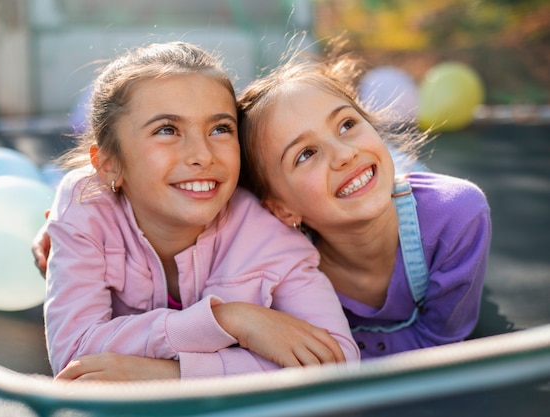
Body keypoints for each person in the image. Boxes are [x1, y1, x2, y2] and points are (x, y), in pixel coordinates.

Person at [41, 41, 359, 381]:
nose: (202, 155)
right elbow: (74, 358)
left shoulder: (268, 236)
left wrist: (170, 377)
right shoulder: (85, 205)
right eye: (167, 130)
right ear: (108, 165)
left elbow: (337, 366)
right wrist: (230, 321)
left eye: (220, 129)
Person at [236, 40, 491, 359]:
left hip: (399, 175)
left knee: (391, 164)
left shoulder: (456, 215)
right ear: (282, 209)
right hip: (367, 178)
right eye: (306, 154)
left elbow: (442, 341)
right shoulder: (279, 264)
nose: (344, 154)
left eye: (347, 124)